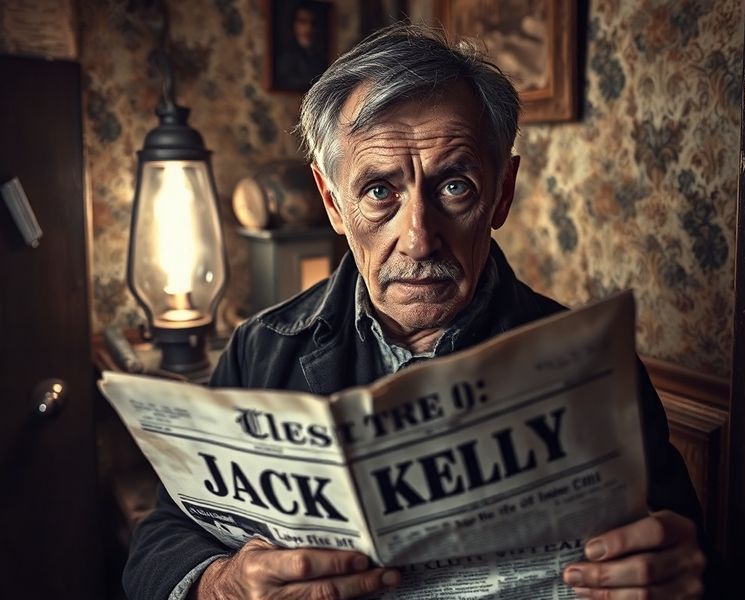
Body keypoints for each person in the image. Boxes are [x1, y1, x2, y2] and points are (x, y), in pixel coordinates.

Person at [123, 24, 708, 600]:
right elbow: (160, 541)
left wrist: (675, 575)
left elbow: (689, 555)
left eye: (455, 186)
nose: (419, 238)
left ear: (501, 193)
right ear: (333, 202)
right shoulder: (261, 347)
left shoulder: (592, 365)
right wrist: (222, 585)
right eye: (380, 191)